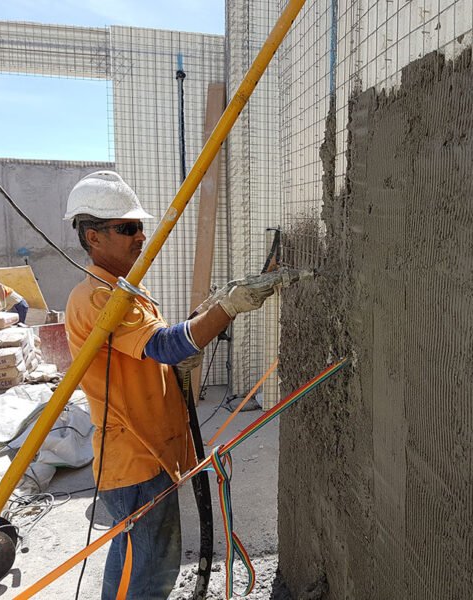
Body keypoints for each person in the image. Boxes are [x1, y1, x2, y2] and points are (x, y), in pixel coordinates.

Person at [63, 170, 275, 600]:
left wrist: (204, 316)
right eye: (126, 228)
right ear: (92, 237)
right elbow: (164, 345)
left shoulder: (123, 291)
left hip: (148, 450)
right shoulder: (99, 298)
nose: (140, 236)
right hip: (133, 457)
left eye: (140, 226)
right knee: (150, 570)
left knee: (133, 558)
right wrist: (228, 309)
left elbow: (154, 350)